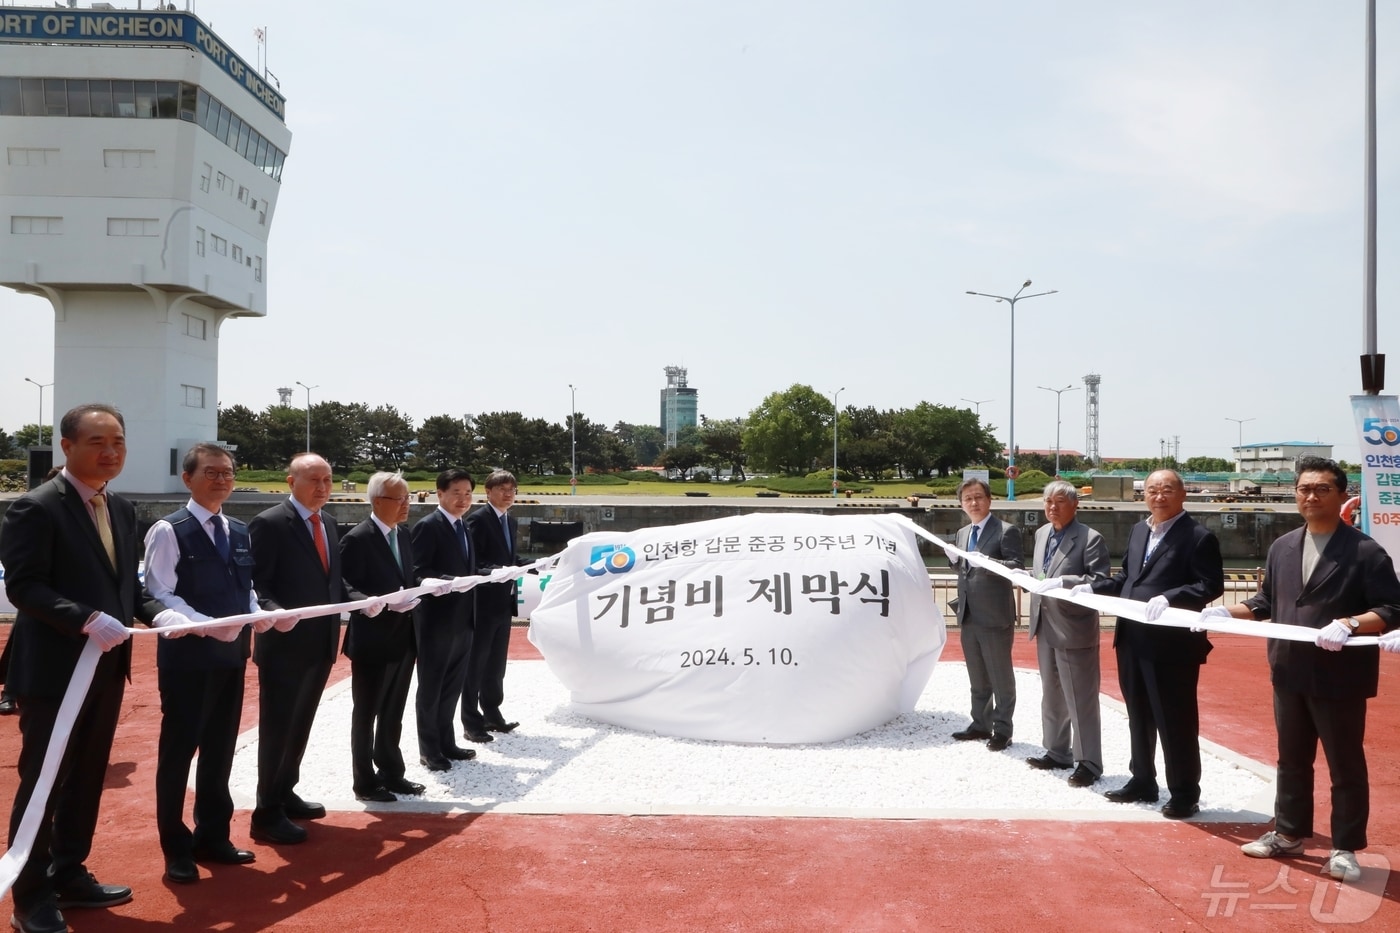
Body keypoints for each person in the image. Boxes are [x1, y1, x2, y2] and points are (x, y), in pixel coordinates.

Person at [0, 404, 171, 933]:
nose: (110, 451)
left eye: (118, 441)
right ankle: (30, 897)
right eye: (97, 441)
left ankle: (69, 872)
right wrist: (84, 619)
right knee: (44, 782)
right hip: (54, 672)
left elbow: (124, 586)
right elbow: (24, 586)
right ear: (67, 446)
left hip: (106, 667)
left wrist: (161, 612)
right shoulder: (36, 508)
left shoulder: (120, 508)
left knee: (87, 777)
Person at [1201, 457, 1400, 883]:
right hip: (1289, 671)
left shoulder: (1364, 551)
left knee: (1345, 764)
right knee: (1291, 759)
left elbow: (1391, 608)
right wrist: (1224, 613)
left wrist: (1350, 623)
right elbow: (1265, 602)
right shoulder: (1283, 547)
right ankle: (1289, 832)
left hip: (1340, 676)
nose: (1311, 496)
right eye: (1304, 489)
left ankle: (1345, 847)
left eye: (1322, 489)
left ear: (1342, 495)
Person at [142, 444, 268, 884]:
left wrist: (258, 612)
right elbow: (158, 592)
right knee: (178, 755)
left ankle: (213, 835)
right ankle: (175, 848)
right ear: (188, 479)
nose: (221, 480)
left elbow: (244, 587)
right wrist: (203, 625)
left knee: (219, 750)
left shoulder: (238, 529)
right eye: (211, 473)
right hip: (188, 661)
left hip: (231, 658)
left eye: (227, 473)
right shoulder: (169, 530)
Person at [1077, 468, 1222, 819]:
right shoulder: (1139, 530)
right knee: (1138, 715)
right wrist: (1091, 588)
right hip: (1132, 638)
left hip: (1171, 647)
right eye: (1153, 490)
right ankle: (1142, 779)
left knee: (1175, 720)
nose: (1159, 496)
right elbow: (1128, 579)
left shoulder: (1198, 536)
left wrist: (1171, 597)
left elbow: (1209, 585)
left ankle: (1184, 792)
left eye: (1167, 489)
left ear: (1182, 494)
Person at [248, 453, 376, 846]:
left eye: (328, 479)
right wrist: (273, 611)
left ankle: (285, 790)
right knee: (277, 728)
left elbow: (334, 582)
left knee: (300, 723)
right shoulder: (269, 523)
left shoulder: (329, 523)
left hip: (320, 643)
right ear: (291, 482)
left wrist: (362, 601)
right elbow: (256, 583)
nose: (322, 487)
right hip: (284, 644)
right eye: (314, 479)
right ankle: (266, 812)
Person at [340, 472, 431, 802]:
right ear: (378, 501)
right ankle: (364, 781)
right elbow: (344, 585)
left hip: (403, 636)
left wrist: (427, 585)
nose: (407, 505)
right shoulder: (357, 538)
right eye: (400, 499)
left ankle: (392, 772)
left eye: (409, 498)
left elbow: (408, 576)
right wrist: (368, 603)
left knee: (393, 711)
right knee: (366, 714)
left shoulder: (402, 534)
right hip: (373, 640)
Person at [1023, 480, 1110, 788]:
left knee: (1080, 697)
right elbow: (1043, 572)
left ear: (1075, 505)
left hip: (1074, 627)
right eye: (1048, 501)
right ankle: (1057, 751)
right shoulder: (1041, 534)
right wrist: (1027, 577)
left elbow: (1100, 580)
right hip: (1044, 624)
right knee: (1052, 693)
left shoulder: (1090, 538)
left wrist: (1065, 582)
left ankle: (1089, 762)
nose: (1052, 507)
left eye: (1059, 502)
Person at [410, 469, 480, 771]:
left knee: (452, 686)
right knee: (431, 688)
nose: (463, 499)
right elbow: (417, 571)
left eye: (468, 493)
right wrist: (449, 581)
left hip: (463, 620)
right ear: (439, 494)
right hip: (436, 622)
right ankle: (429, 749)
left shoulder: (464, 526)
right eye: (456, 493)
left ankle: (447, 742)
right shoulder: (429, 527)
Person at [948, 478, 1023, 751]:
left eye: (978, 497)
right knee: (977, 676)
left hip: (995, 616)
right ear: (961, 504)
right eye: (968, 498)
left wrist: (988, 562)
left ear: (989, 500)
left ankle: (1003, 730)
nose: (974, 503)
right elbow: (965, 570)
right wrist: (953, 560)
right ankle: (980, 723)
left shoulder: (1006, 531)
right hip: (968, 614)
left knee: (1000, 677)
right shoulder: (962, 533)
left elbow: (1016, 567)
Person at [463, 469, 524, 742]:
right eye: (502, 489)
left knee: (496, 664)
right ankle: (470, 721)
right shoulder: (478, 520)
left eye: (512, 490)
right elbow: (473, 562)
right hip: (483, 603)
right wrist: (496, 572)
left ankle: (492, 713)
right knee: (476, 663)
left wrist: (537, 565)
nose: (508, 494)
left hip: (504, 603)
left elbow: (512, 559)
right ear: (488, 492)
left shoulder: (510, 521)